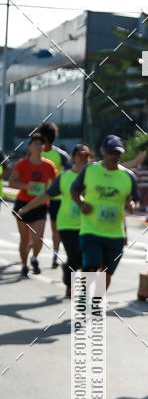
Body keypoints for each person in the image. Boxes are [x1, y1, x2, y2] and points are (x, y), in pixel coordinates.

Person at [19, 143, 92, 297]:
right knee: (75, 256)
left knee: (91, 258)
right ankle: (69, 279)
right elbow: (46, 195)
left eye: (86, 156)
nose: (82, 159)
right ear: (73, 158)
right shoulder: (64, 177)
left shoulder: (95, 176)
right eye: (79, 156)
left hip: (90, 225)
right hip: (67, 224)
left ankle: (87, 291)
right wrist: (27, 208)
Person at [70, 135, 139, 290]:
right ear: (103, 151)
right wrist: (82, 204)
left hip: (115, 234)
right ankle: (82, 301)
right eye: (111, 152)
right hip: (91, 230)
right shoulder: (90, 169)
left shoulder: (128, 176)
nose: (114, 156)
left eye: (118, 153)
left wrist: (132, 204)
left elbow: (135, 200)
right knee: (91, 268)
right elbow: (74, 190)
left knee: (106, 274)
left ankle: (96, 303)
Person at [9, 133, 57, 277]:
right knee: (25, 240)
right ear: (29, 147)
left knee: (38, 237)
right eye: (35, 144)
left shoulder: (49, 166)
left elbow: (55, 185)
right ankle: (24, 265)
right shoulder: (22, 164)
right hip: (23, 204)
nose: (38, 146)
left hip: (41, 204)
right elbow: (12, 182)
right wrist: (26, 186)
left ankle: (34, 257)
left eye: (41, 144)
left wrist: (51, 192)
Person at [38, 122, 72, 268]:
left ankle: (55, 255)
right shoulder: (35, 152)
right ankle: (35, 250)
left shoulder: (61, 155)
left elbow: (71, 172)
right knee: (38, 225)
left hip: (55, 197)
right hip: (38, 197)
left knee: (54, 228)